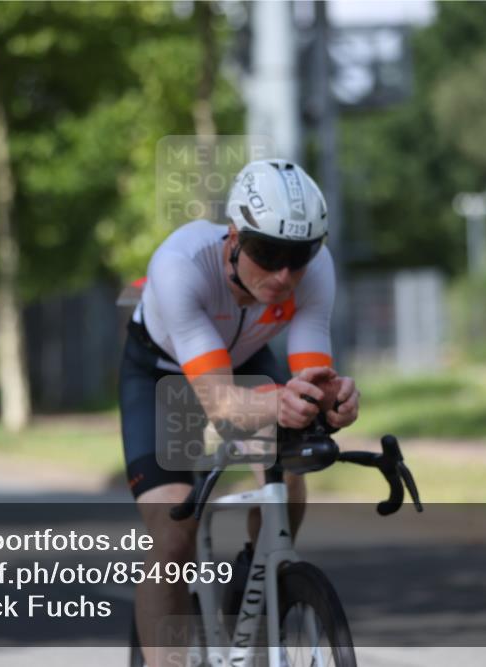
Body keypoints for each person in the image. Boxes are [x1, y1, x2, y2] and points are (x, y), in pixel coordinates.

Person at [120, 160, 361, 666]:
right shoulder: (181, 264)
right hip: (163, 376)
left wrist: (331, 402)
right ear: (233, 238)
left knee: (289, 475)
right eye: (268, 252)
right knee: (174, 527)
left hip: (245, 359)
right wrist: (279, 401)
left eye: (298, 256)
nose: (282, 274)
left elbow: (311, 377)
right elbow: (224, 406)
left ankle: (258, 578)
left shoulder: (315, 273)